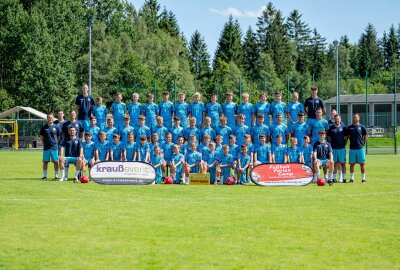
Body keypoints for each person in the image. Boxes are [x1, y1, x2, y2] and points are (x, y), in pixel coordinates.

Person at [40, 113, 62, 180]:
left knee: (56, 162)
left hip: (54, 147)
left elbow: (58, 137)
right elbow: (41, 137)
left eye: (51, 117)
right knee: (45, 162)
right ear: (47, 118)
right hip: (46, 147)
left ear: (53, 118)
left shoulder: (56, 127)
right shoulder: (43, 127)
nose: (50, 119)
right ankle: (44, 176)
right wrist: (45, 144)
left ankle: (56, 176)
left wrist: (56, 144)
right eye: (49, 117)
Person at [347, 113, 367, 183]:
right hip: (352, 149)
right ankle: (352, 179)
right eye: (354, 117)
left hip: (360, 149)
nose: (355, 119)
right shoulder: (349, 127)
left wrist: (362, 144)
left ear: (359, 118)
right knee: (352, 164)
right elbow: (348, 137)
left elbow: (365, 137)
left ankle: (363, 179)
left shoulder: (362, 127)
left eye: (356, 117)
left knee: (362, 164)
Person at [327, 114, 348, 183]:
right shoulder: (331, 128)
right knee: (335, 163)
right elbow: (329, 138)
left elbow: (346, 137)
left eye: (338, 119)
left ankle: (344, 178)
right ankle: (334, 178)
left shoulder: (343, 127)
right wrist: (331, 146)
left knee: (343, 164)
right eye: (336, 119)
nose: (337, 120)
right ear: (334, 119)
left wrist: (344, 144)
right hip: (334, 149)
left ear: (340, 119)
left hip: (342, 148)